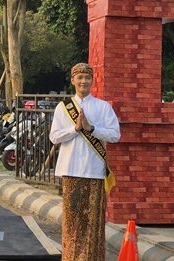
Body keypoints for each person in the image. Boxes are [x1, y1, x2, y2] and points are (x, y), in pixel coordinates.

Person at [49, 63, 120, 261]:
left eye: (87, 77)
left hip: (95, 172)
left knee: (93, 223)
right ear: (73, 80)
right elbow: (54, 137)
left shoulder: (103, 107)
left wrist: (92, 129)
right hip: (71, 170)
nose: (83, 81)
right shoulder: (63, 108)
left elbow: (115, 135)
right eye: (79, 77)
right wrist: (75, 129)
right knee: (72, 223)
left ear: (92, 80)